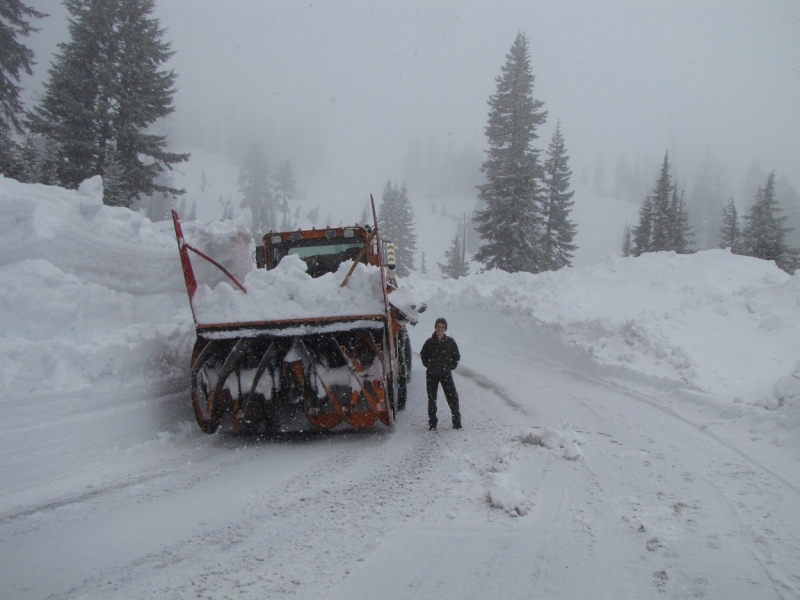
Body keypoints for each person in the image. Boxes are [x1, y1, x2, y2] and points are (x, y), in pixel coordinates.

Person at [419, 317, 461, 430]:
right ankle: (433, 423)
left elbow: (456, 357)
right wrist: (429, 365)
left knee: (452, 397)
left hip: (445, 374)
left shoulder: (450, 342)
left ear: (445, 329)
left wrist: (449, 367)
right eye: (438, 327)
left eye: (442, 327)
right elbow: (423, 355)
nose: (440, 329)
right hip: (432, 375)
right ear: (435, 328)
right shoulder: (429, 342)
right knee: (432, 399)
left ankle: (457, 422)